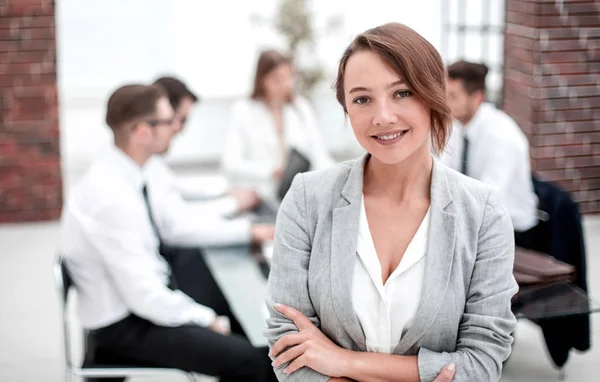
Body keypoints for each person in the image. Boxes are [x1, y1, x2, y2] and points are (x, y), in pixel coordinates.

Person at [264, 23, 518, 382]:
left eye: (402, 93)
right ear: (347, 109)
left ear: (433, 95)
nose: (383, 116)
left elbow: (481, 363)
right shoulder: (307, 198)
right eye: (362, 99)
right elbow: (287, 345)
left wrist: (344, 362)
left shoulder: (483, 213)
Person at [61, 84, 276, 381]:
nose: (175, 127)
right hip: (125, 326)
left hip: (138, 304)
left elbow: (168, 229)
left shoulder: (125, 172)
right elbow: (145, 297)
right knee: (254, 362)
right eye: (167, 121)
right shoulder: (112, 198)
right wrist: (206, 319)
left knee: (236, 319)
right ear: (141, 131)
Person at [441, 60, 539, 247]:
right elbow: (443, 175)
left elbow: (490, 200)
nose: (445, 103)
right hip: (474, 223)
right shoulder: (456, 126)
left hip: (512, 231)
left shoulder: (500, 135)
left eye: (452, 96)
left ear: (477, 98)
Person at [221, 49, 335, 198]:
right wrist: (271, 171)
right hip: (260, 196)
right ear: (261, 80)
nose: (285, 85)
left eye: (288, 77)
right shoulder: (242, 111)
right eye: (276, 79)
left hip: (299, 195)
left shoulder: (301, 108)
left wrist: (339, 175)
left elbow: (319, 156)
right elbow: (231, 165)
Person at [151, 76, 260, 217]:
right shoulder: (146, 166)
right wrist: (234, 204)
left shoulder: (154, 163)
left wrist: (225, 192)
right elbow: (175, 222)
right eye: (182, 119)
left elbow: (176, 186)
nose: (180, 129)